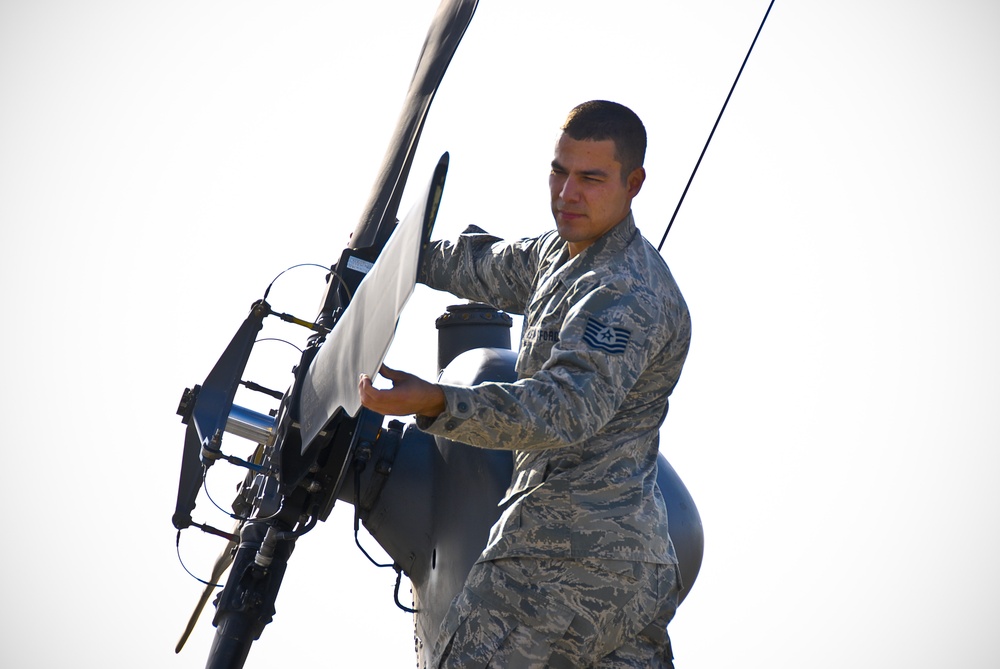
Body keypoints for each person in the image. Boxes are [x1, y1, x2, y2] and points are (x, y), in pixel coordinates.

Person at [359, 100, 691, 668]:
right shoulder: (560, 257)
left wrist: (439, 402)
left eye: (591, 178)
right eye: (559, 172)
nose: (567, 194)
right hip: (632, 576)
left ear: (634, 183)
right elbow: (486, 265)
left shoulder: (624, 292)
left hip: (558, 563)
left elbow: (562, 412)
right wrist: (395, 253)